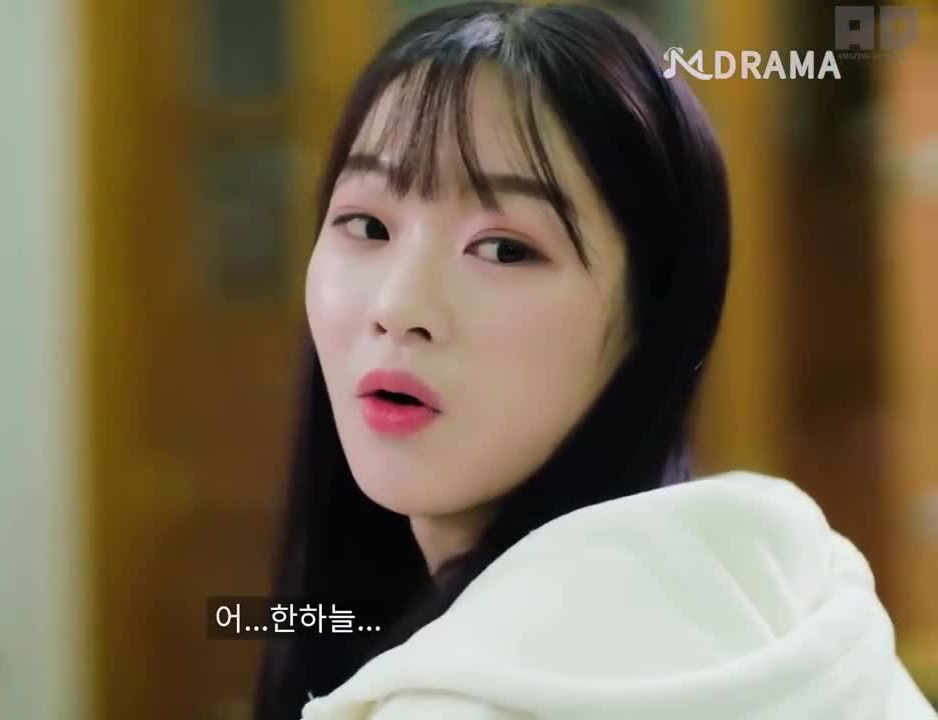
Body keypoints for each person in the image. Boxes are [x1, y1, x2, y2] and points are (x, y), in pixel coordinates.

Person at [249, 2, 938, 719]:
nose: (398, 306)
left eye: (504, 249)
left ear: (656, 313)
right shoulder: (784, 593)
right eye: (367, 225)